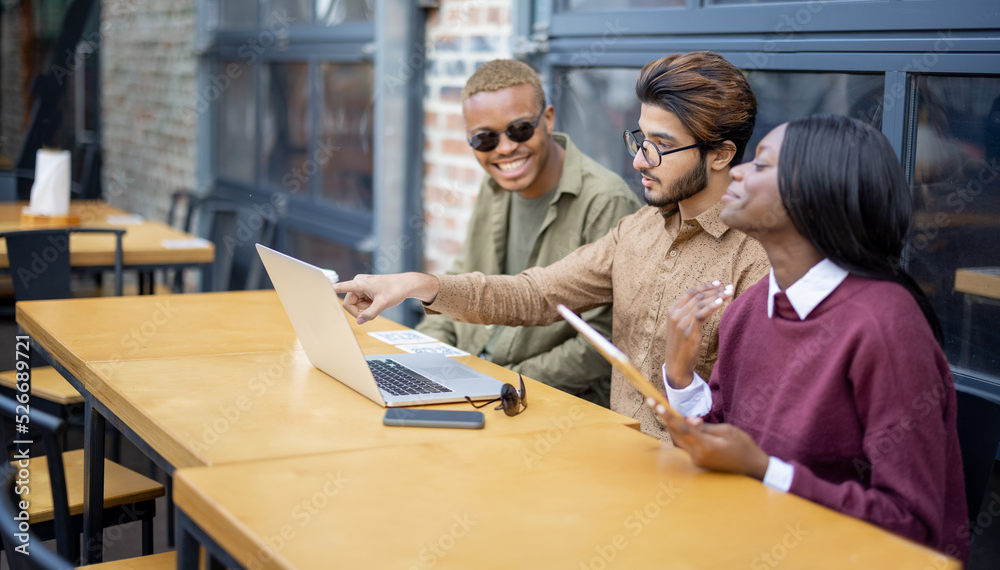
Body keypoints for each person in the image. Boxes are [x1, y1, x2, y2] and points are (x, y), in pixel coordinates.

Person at [335, 51, 770, 439]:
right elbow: (536, 294)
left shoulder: (757, 263)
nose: (639, 159)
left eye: (661, 146)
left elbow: (755, 423)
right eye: (640, 139)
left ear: (720, 154)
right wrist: (417, 284)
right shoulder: (638, 230)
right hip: (611, 456)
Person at [652, 115, 967, 562]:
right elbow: (726, 442)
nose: (737, 170)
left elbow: (912, 527)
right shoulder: (750, 305)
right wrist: (680, 378)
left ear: (815, 195)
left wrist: (767, 472)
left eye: (761, 165)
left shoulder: (886, 326)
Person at [415, 59, 640, 405]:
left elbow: (606, 339)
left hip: (541, 399)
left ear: (547, 119)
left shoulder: (606, 201)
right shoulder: (495, 187)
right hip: (472, 379)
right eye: (485, 139)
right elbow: (459, 277)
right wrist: (423, 355)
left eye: (520, 129)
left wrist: (503, 383)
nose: (504, 148)